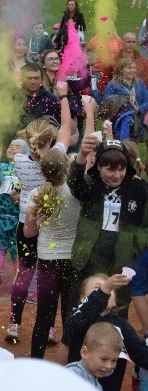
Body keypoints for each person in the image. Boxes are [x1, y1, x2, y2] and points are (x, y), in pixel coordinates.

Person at [8, 110, 71, 343]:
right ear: (50, 141)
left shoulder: (19, 161)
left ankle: (14, 323)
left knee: (23, 273)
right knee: (49, 277)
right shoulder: (55, 159)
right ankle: (51, 327)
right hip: (51, 227)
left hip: (27, 223)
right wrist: (64, 97)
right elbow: (65, 129)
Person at [68, 134, 147, 316]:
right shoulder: (90, 183)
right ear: (98, 167)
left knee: (117, 313)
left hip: (120, 261)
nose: (117, 175)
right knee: (82, 311)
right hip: (88, 260)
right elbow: (74, 184)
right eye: (110, 169)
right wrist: (81, 156)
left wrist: (133, 244)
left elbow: (145, 227)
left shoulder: (140, 188)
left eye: (122, 169)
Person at [23, 148, 79, 358]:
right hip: (72, 261)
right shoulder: (75, 192)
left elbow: (28, 233)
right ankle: (73, 362)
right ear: (67, 167)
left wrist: (40, 222)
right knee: (70, 314)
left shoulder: (36, 195)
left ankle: (35, 362)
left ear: (43, 171)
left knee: (44, 316)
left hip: (47, 260)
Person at [0, 140, 25, 290]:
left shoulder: (25, 171)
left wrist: (21, 196)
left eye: (18, 147)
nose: (12, 148)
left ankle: (18, 279)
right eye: (10, 146)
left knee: (15, 249)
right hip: (0, 216)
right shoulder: (3, 167)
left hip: (16, 217)